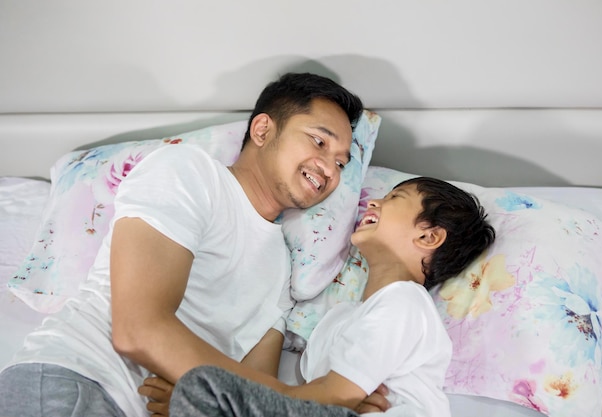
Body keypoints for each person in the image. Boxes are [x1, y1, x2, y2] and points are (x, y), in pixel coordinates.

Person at [0, 72, 364, 417]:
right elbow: (138, 329)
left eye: (341, 163)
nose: (330, 169)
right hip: (79, 380)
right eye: (319, 141)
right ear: (263, 129)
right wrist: (298, 399)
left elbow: (252, 398)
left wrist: (207, 399)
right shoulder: (188, 172)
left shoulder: (282, 270)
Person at [143, 176, 496, 417]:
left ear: (430, 238)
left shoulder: (406, 303)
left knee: (203, 387)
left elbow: (330, 397)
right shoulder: (339, 318)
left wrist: (223, 402)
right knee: (207, 388)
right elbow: (316, 401)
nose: (374, 201)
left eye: (394, 199)